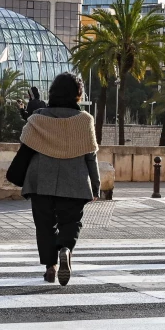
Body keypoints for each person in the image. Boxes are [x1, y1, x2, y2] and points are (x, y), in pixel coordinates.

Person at [20, 71, 100, 285]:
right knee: (71, 221)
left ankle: (50, 267)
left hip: (40, 178)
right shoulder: (85, 120)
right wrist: (96, 184)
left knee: (44, 225)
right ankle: (65, 247)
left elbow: (26, 145)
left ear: (53, 92)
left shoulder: (37, 118)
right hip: (75, 178)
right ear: (78, 95)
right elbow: (91, 155)